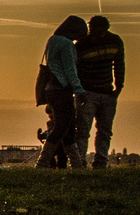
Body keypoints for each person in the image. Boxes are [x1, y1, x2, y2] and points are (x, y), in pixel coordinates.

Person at [36, 15, 89, 169]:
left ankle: (77, 164)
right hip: (62, 89)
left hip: (51, 88)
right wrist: (79, 89)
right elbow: (70, 70)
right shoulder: (67, 45)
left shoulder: (52, 41)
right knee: (61, 127)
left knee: (69, 128)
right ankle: (42, 162)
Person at [74, 14, 125, 169]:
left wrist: (118, 87)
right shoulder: (81, 45)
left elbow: (119, 65)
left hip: (106, 93)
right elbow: (76, 69)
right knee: (84, 129)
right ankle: (80, 160)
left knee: (104, 130)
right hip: (88, 92)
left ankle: (100, 161)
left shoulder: (115, 41)